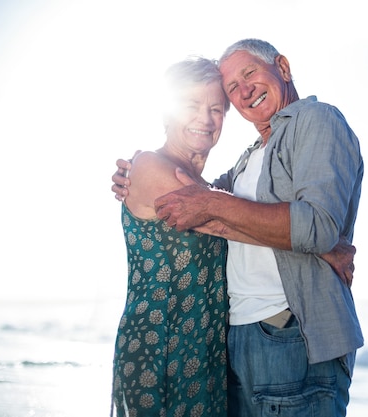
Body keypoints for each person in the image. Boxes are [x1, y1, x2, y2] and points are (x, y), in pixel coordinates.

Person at [112, 39, 363, 417]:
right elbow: (225, 216)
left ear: (283, 67)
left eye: (217, 107)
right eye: (232, 88)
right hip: (175, 345)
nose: (207, 117)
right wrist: (321, 246)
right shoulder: (242, 161)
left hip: (270, 340)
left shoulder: (316, 120)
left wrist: (314, 237)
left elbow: (230, 211)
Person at [111, 57, 230, 417]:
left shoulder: (212, 188)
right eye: (191, 105)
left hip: (205, 351)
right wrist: (313, 242)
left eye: (216, 108)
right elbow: (232, 223)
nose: (205, 119)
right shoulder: (149, 165)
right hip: (156, 346)